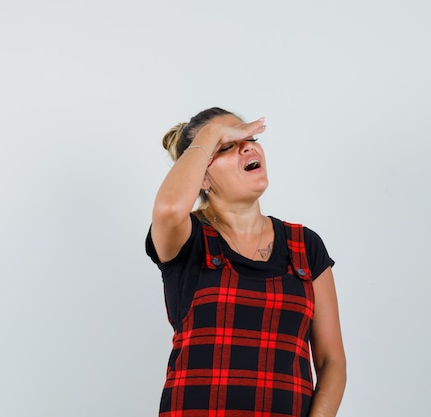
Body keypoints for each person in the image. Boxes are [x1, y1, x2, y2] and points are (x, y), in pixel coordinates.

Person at [146, 107, 346, 417]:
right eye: (227, 145)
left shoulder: (306, 246)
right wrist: (210, 135)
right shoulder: (187, 241)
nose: (247, 145)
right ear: (202, 178)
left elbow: (331, 361)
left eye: (249, 138)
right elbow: (170, 209)